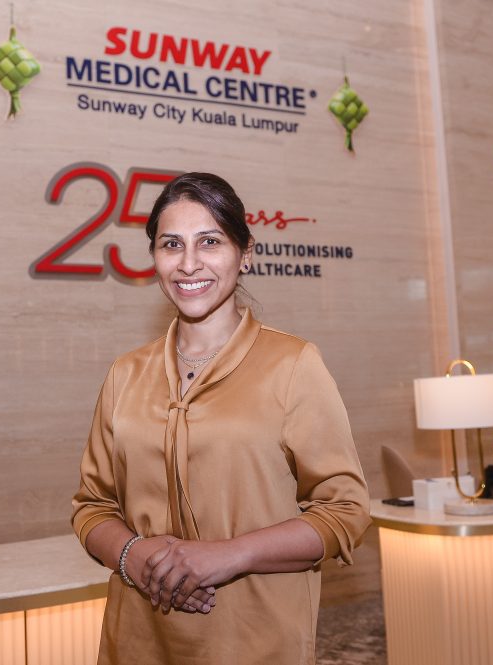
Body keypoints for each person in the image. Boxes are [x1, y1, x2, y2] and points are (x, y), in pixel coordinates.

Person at [71, 172, 370, 664]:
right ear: (154, 257)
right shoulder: (126, 373)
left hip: (254, 640)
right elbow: (92, 506)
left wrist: (228, 555)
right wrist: (132, 555)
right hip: (138, 639)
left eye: (209, 241)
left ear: (245, 253)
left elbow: (344, 511)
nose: (189, 263)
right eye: (171, 244)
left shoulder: (293, 364)